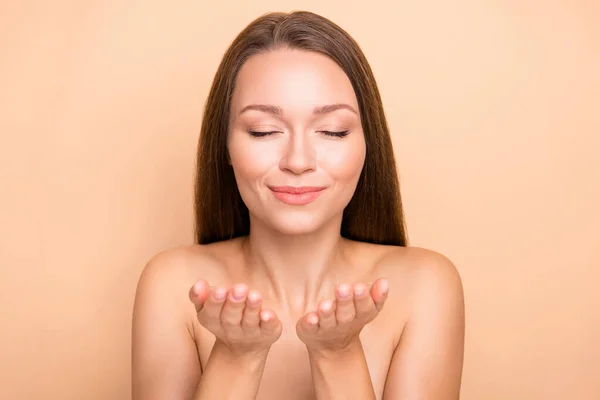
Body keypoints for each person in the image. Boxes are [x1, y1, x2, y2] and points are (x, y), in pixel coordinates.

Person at [131, 10, 465, 400]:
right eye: (264, 131)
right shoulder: (173, 284)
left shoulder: (423, 285)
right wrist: (237, 356)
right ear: (225, 147)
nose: (298, 160)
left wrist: (338, 355)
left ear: (366, 146)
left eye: (333, 131)